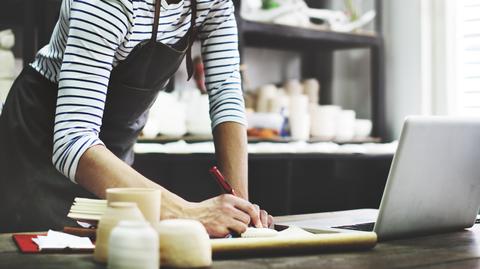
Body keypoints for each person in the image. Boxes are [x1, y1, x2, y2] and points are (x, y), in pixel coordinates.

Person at [0, 0, 273, 236]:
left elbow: (226, 96)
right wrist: (189, 214)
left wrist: (241, 213)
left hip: (110, 155)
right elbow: (73, 141)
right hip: (38, 143)